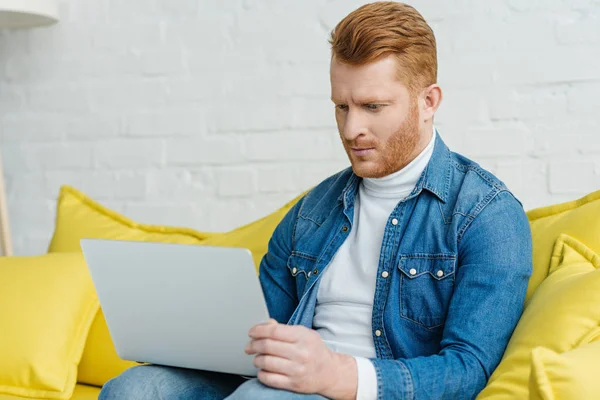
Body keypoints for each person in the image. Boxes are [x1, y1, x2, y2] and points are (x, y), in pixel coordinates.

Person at [99, 2, 532, 399]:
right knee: (136, 388)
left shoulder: (485, 214)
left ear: (428, 102)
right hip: (286, 383)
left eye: (373, 106)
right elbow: (257, 330)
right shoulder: (314, 209)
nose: (351, 129)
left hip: (370, 390)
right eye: (341, 107)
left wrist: (338, 374)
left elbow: (468, 369)